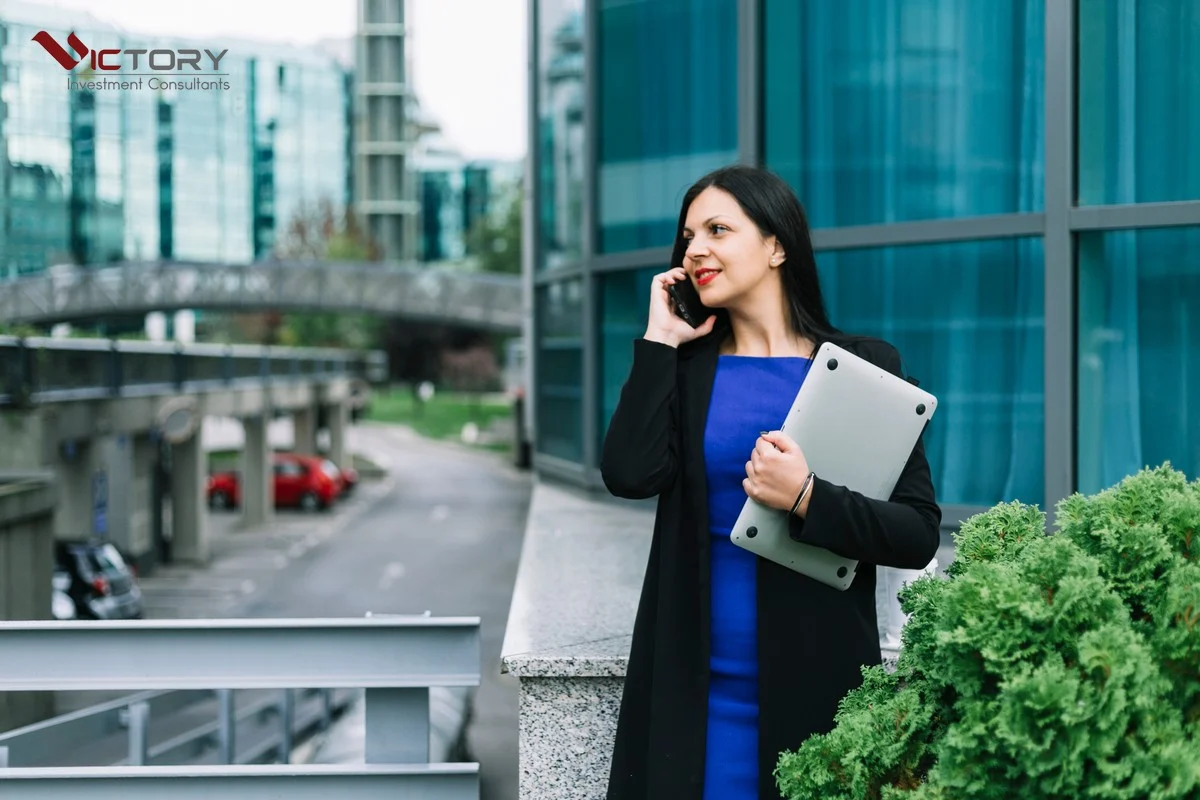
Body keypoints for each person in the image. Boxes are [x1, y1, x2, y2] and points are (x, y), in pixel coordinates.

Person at [600, 165, 941, 800]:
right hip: (692, 697)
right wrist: (659, 339)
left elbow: (916, 532)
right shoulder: (685, 366)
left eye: (717, 229)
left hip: (820, 693)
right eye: (687, 236)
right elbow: (628, 472)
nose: (694, 248)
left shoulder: (864, 368)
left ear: (776, 245)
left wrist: (807, 496)